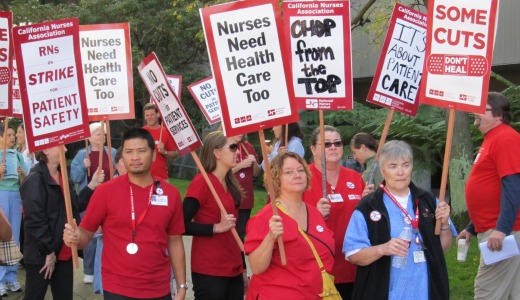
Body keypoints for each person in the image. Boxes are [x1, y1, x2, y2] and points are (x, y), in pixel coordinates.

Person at [63, 128, 187, 299]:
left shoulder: (170, 194)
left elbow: (175, 241)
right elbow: (85, 234)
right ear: (122, 157)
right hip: (117, 287)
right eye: (129, 152)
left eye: (141, 151)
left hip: (158, 287)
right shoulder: (105, 192)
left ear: (153, 155)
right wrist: (75, 237)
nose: (135, 157)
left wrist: (181, 286)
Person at [343, 140, 456, 300]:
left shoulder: (428, 201)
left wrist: (444, 224)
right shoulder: (369, 206)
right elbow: (353, 255)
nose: (400, 172)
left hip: (425, 291)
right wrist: (383, 249)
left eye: (405, 165)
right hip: (385, 292)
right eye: (393, 166)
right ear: (382, 171)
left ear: (412, 167)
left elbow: (442, 249)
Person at [245, 152, 335, 299]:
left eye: (300, 170)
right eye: (288, 172)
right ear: (276, 179)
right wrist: (270, 237)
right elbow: (256, 267)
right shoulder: (266, 217)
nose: (297, 175)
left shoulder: (315, 213)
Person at [457, 92, 520, 300]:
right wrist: (471, 228)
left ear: (499, 115)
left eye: (482, 108)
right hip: (496, 229)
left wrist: (502, 230)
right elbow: (491, 188)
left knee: (487, 292)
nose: (476, 112)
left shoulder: (505, 138)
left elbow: (513, 186)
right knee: (512, 293)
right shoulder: (491, 139)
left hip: (503, 232)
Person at [20, 144, 103, 300]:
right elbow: (35, 221)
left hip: (64, 251)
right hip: (42, 255)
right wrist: (48, 251)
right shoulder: (34, 180)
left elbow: (73, 207)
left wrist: (92, 185)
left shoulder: (63, 175)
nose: (65, 150)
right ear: (45, 150)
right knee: (34, 295)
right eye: (60, 146)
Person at [303, 125, 366, 299]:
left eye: (337, 143)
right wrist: (314, 214)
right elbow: (287, 218)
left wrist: (368, 202)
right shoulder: (301, 177)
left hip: (351, 265)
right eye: (327, 144)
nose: (333, 147)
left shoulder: (355, 177)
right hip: (317, 267)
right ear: (313, 149)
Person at [182, 131, 244, 299]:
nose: (237, 151)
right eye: (232, 147)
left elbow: (234, 230)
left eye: (236, 147)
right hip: (210, 269)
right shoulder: (201, 182)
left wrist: (243, 267)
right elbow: (179, 224)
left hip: (234, 267)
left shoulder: (231, 184)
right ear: (216, 153)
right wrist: (215, 227)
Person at [70, 122, 116, 284]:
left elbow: (120, 172)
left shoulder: (113, 152)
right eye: (98, 134)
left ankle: (105, 269)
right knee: (89, 235)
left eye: (103, 134)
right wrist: (83, 168)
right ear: (89, 137)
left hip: (110, 199)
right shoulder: (82, 155)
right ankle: (89, 270)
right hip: (89, 200)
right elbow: (75, 178)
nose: (102, 137)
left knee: (109, 234)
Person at [92, 147, 127, 294]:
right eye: (125, 157)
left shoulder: (154, 188)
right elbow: (91, 228)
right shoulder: (107, 190)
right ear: (117, 164)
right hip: (113, 261)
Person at [0, 124, 28, 296]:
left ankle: (11, 277)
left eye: (13, 134)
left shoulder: (17, 155)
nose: (12, 137)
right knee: (1, 237)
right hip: (1, 195)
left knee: (14, 237)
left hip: (16, 195)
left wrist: (22, 174)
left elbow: (26, 179)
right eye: (8, 134)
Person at [231, 134, 261, 241]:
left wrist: (255, 164)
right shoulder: (222, 146)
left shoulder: (247, 146)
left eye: (242, 131)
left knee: (241, 233)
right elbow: (219, 172)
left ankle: (239, 257)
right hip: (230, 197)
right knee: (229, 234)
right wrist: (240, 165)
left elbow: (256, 173)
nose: (240, 133)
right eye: (237, 131)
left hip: (246, 199)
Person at [142, 103, 178, 180]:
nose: (149, 117)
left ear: (158, 114)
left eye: (152, 114)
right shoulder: (140, 133)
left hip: (161, 178)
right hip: (143, 178)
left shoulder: (166, 132)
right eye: (147, 115)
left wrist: (164, 152)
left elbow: (175, 154)